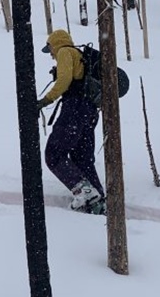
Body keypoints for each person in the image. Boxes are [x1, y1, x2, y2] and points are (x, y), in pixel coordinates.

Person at [37, 29, 105, 215]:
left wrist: (45, 101)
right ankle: (98, 199)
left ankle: (86, 194)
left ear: (56, 43)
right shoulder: (80, 55)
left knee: (54, 154)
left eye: (49, 48)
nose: (51, 55)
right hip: (89, 112)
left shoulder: (65, 52)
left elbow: (65, 80)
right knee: (82, 158)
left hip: (74, 109)